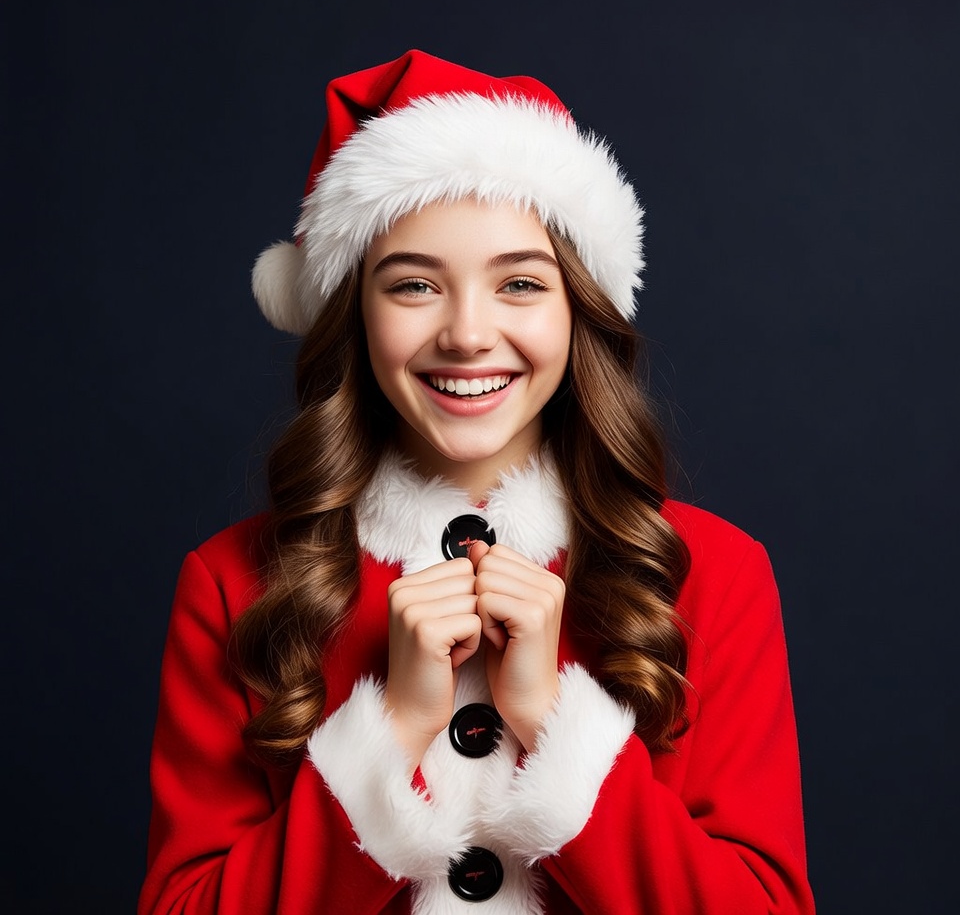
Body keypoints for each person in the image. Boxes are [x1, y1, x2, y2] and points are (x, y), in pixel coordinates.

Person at [139, 49, 816, 915]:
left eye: (520, 284)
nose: (467, 334)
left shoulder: (713, 574)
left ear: (579, 309)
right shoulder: (235, 584)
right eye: (414, 284)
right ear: (353, 313)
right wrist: (388, 731)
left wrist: (550, 721)